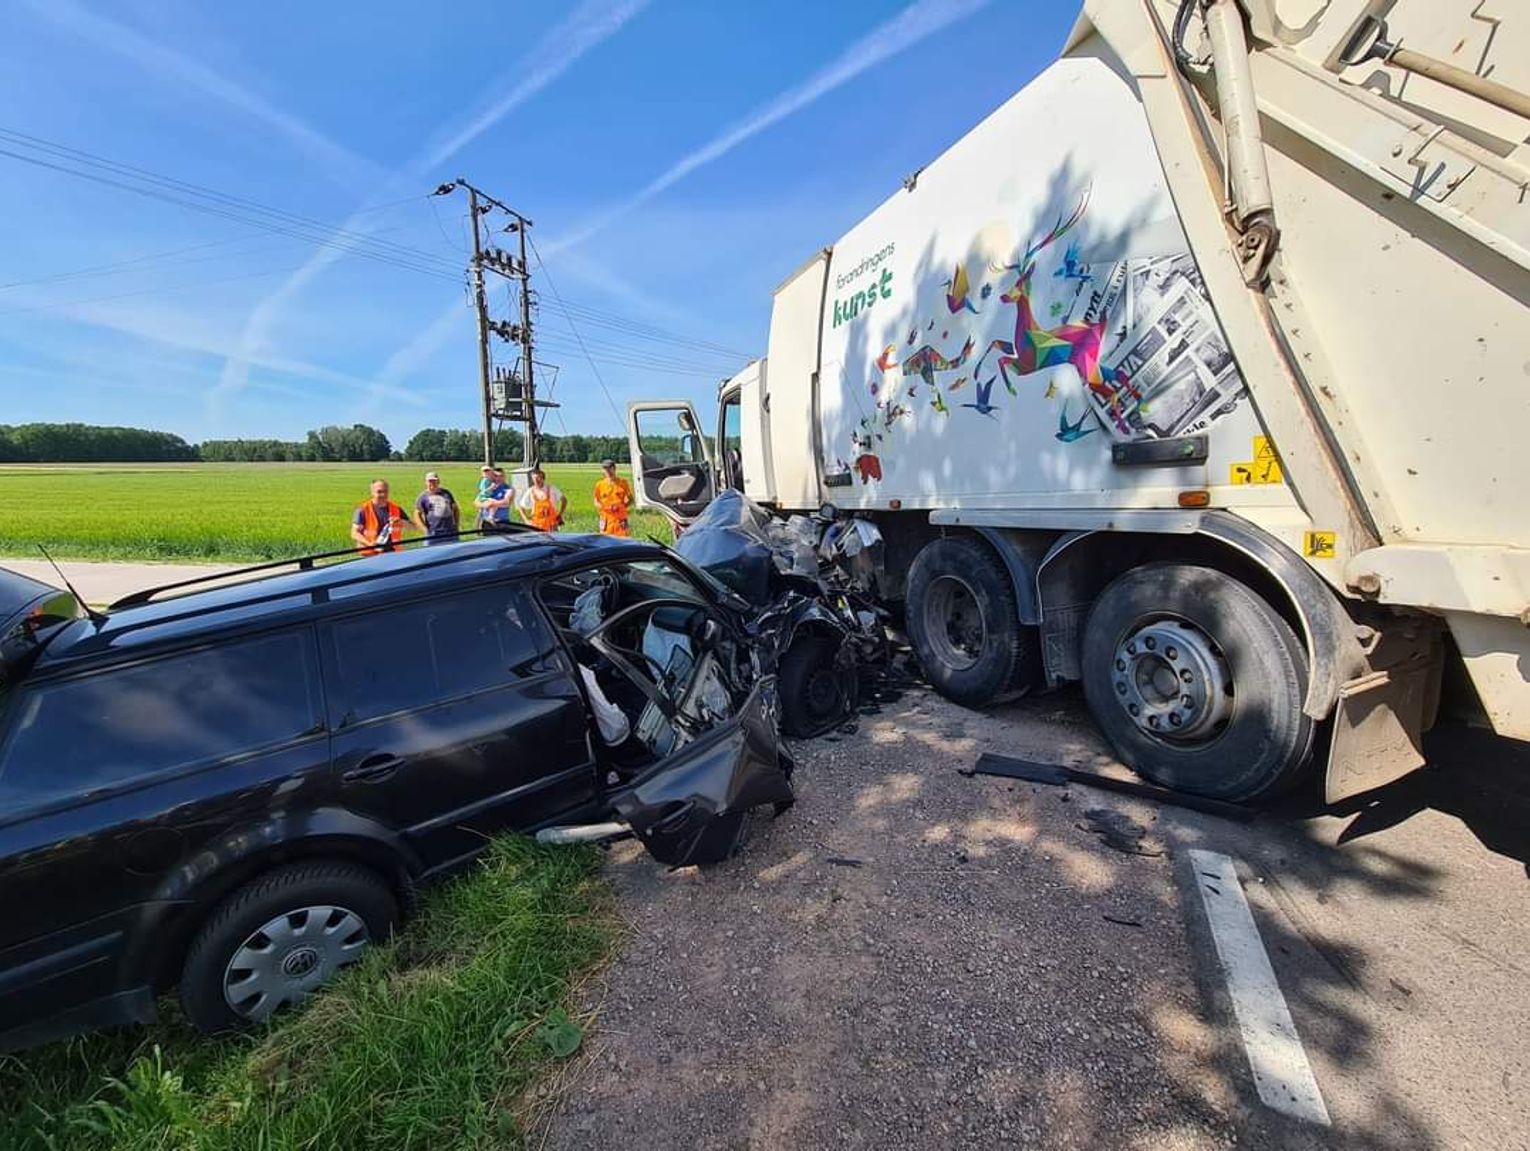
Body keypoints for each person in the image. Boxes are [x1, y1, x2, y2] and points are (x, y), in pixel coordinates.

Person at [351, 479, 412, 555]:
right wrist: (370, 544)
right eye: (379, 492)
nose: (383, 494)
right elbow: (354, 533)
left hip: (394, 553)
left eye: (385, 491)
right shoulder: (363, 510)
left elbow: (412, 527)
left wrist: (401, 522)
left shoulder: (396, 508)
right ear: (372, 492)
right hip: (371, 554)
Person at [412, 471, 460, 545]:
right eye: (429, 481)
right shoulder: (423, 497)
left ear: (438, 481)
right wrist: (425, 529)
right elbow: (417, 514)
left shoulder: (446, 493)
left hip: (450, 532)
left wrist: (456, 525)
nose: (432, 483)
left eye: (434, 481)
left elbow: (455, 509)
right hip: (433, 533)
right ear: (426, 482)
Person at [592, 458, 634, 537]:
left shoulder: (623, 483)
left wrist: (621, 507)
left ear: (614, 469)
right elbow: (596, 501)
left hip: (620, 520)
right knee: (605, 540)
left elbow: (631, 499)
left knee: (623, 541)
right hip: (606, 519)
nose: (608, 471)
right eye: (605, 469)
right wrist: (604, 508)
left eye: (609, 468)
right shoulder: (599, 485)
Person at [517, 467, 567, 532]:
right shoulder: (530, 491)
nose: (536, 480)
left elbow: (564, 500)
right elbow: (521, 507)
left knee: (553, 542)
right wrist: (526, 520)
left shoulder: (552, 489)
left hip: (552, 526)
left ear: (543, 478)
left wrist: (560, 514)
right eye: (534, 479)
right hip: (536, 526)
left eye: (538, 478)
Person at [475, 466, 514, 532]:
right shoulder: (489, 488)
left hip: (501, 522)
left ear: (504, 477)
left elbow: (506, 503)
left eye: (501, 476)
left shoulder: (508, 489)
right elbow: (476, 502)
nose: (498, 478)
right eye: (496, 476)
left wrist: (490, 504)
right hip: (486, 522)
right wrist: (485, 505)